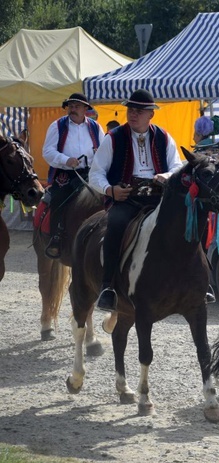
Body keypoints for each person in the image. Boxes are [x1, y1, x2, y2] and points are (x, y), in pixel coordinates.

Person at [89, 89, 183, 311]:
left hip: (159, 197)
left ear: (151, 114)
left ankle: (199, 280)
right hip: (126, 199)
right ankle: (108, 287)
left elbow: (178, 166)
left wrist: (166, 176)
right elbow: (95, 173)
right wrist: (110, 190)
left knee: (185, 223)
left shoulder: (164, 136)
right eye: (130, 110)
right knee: (116, 225)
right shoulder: (112, 138)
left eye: (139, 111)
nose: (133, 114)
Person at [41, 93, 105, 259]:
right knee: (59, 199)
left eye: (77, 106)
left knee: (107, 197)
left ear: (85, 109)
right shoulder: (57, 126)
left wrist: (99, 156)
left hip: (90, 173)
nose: (73, 109)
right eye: (71, 106)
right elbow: (47, 152)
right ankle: (56, 238)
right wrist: (66, 160)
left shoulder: (96, 127)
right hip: (65, 174)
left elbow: (105, 151)